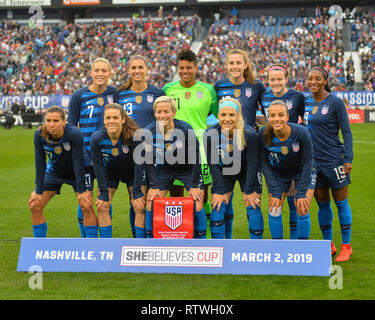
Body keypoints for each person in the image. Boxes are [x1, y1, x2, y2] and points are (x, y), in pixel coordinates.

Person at [132, 96, 206, 239]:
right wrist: (153, 185)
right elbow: (148, 161)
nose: (162, 115)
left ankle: (200, 241)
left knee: (197, 203)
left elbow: (197, 156)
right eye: (159, 112)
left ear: (174, 112)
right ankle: (148, 241)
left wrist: (195, 184)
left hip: (189, 170)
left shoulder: (185, 128)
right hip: (164, 170)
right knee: (151, 202)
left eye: (166, 111)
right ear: (154, 113)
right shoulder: (148, 132)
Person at [162, 49, 218, 231]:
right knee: (176, 193)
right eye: (181, 67)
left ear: (196, 68)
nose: (184, 71)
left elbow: (220, 116)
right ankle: (181, 232)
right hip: (173, 147)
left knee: (202, 193)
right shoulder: (168, 89)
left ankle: (204, 231)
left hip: (201, 148)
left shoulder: (208, 90)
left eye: (188, 67)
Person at [214, 48, 265, 236]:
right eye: (231, 63)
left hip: (249, 148)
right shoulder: (219, 86)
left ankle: (255, 250)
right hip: (225, 150)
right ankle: (224, 246)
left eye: (238, 63)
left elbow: (267, 112)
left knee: (252, 200)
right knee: (223, 201)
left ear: (245, 65)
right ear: (227, 65)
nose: (235, 66)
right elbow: (216, 113)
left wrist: (256, 127)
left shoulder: (256, 86)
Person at [305, 66, 353, 262]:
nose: (313, 82)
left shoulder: (335, 102)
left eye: (318, 78)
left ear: (325, 81)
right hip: (314, 163)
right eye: (310, 79)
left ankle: (346, 246)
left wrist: (348, 158)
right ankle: (328, 245)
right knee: (322, 205)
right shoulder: (306, 102)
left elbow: (347, 131)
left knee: (341, 203)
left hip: (334, 160)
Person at [68, 57, 117, 238]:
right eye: (97, 70)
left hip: (107, 156)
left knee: (104, 200)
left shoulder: (114, 94)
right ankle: (87, 243)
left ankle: (105, 244)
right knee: (85, 202)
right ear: (91, 73)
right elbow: (71, 127)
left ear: (110, 73)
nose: (100, 74)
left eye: (104, 70)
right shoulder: (79, 96)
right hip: (85, 157)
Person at [117, 55, 165, 236]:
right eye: (133, 68)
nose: (137, 71)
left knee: (152, 198)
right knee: (135, 198)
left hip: (153, 152)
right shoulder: (120, 94)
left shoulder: (157, 94)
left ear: (147, 69)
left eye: (140, 67)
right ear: (128, 70)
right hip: (129, 153)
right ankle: (137, 237)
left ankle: (152, 236)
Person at [28, 106, 93, 237]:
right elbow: (40, 163)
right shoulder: (39, 135)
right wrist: (38, 190)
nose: (51, 125)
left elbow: (78, 162)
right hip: (54, 172)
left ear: (64, 122)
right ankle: (39, 247)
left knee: (86, 205)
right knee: (35, 204)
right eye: (48, 120)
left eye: (56, 121)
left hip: (79, 171)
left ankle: (91, 246)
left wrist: (82, 191)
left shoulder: (74, 133)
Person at [204, 98, 263, 239]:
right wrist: (218, 190)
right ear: (218, 116)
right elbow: (213, 165)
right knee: (218, 206)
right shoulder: (209, 134)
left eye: (231, 115)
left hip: (248, 172)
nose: (227, 119)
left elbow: (253, 164)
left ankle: (256, 248)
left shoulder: (249, 134)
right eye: (223, 115)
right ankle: (222, 246)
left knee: (252, 204)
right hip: (225, 172)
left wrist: (249, 190)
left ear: (238, 116)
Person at [260, 64, 306, 239]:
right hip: (273, 154)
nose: (276, 82)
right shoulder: (264, 96)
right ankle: (277, 246)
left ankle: (294, 243)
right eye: (272, 79)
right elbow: (265, 120)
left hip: (294, 154)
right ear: (268, 80)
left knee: (294, 201)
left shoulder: (297, 96)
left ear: (286, 79)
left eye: (280, 79)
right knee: (275, 203)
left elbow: (305, 122)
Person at [258, 100, 315, 240]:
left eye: (281, 115)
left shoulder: (301, 132)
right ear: (268, 117)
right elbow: (265, 164)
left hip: (302, 171)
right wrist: (275, 192)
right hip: (279, 173)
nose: (277, 119)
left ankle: (301, 249)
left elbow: (308, 163)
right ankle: (279, 247)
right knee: (275, 208)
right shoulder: (262, 133)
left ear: (287, 117)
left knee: (302, 207)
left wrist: (301, 192)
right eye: (272, 115)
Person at [90, 103, 140, 238]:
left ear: (123, 119)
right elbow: (98, 167)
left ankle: (140, 243)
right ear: (104, 120)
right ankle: (106, 245)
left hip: (133, 172)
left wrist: (137, 191)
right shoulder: (97, 138)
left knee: (139, 205)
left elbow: (139, 165)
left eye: (115, 118)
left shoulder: (134, 136)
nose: (111, 121)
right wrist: (103, 192)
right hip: (109, 172)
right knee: (102, 205)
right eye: (108, 118)